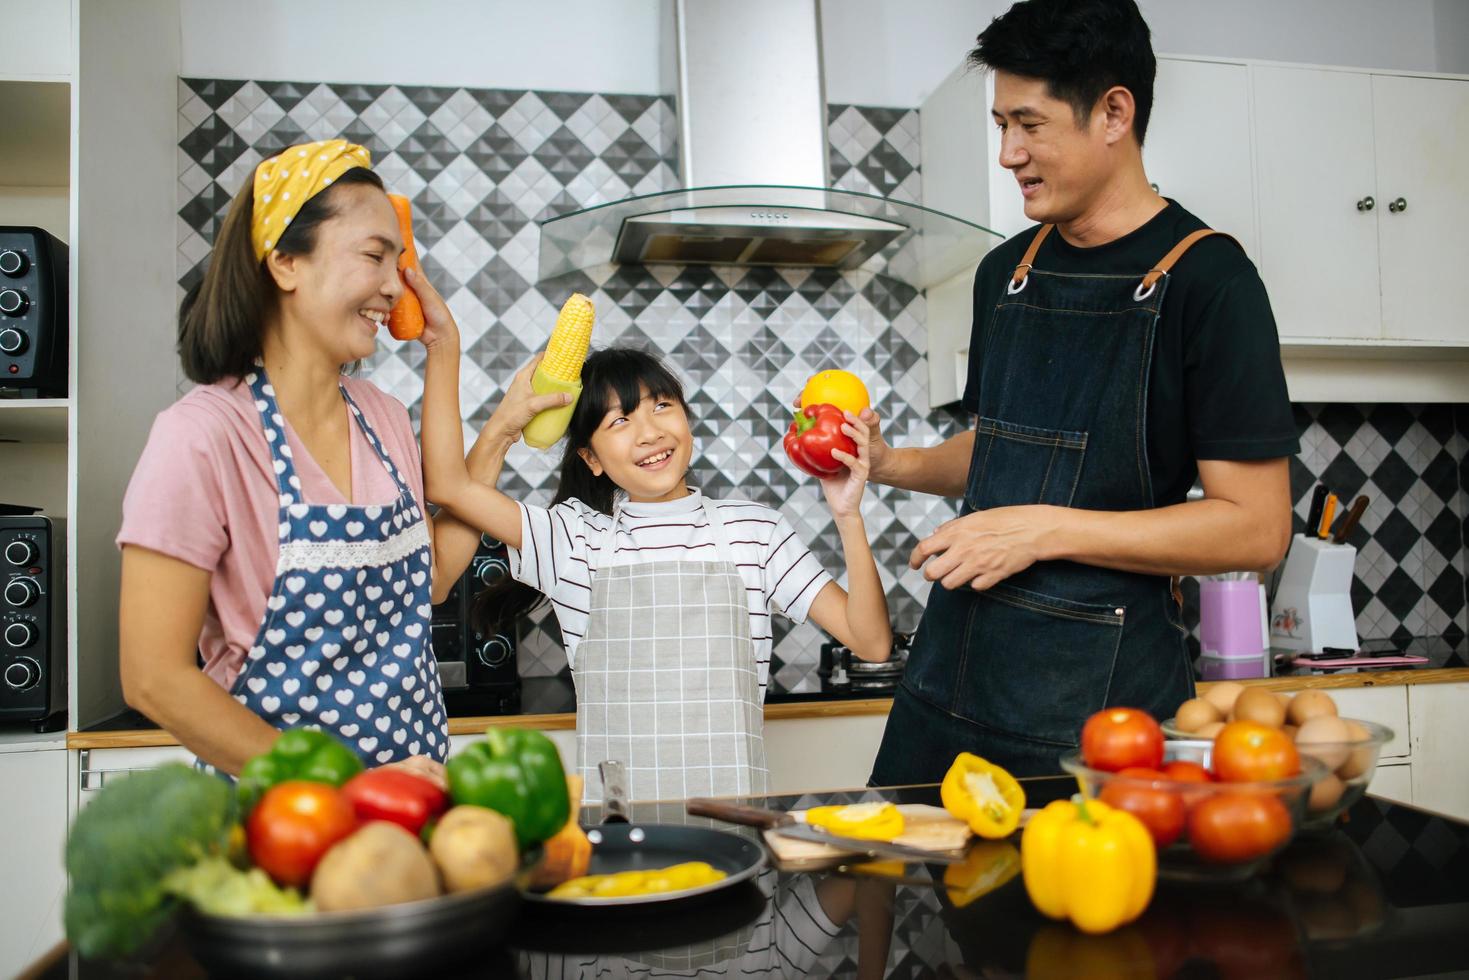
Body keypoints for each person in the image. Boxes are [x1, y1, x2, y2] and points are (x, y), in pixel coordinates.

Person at [865, 0, 1298, 782]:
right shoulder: (1007, 273)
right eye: (1000, 125)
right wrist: (890, 463)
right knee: (900, 897)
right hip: (951, 675)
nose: (1007, 153)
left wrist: (1043, 532)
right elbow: (1003, 449)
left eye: (1027, 124)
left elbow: (1255, 530)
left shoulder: (1210, 281)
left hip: (1103, 705)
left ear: (1112, 113)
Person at [117, 139, 499, 782]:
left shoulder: (382, 417)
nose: (393, 285)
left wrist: (464, 375)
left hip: (411, 824)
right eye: (376, 256)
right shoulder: (203, 437)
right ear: (287, 263)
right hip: (281, 830)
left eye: (399, 262)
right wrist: (344, 793)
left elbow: (430, 582)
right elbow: (153, 678)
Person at [419, 325, 892, 801]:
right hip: (620, 832)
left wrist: (847, 514)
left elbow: (871, 643)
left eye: (661, 406)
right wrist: (505, 422)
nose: (650, 432)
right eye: (619, 422)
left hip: (735, 828)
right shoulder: (572, 538)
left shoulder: (755, 531)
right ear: (591, 457)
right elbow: (446, 486)